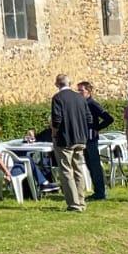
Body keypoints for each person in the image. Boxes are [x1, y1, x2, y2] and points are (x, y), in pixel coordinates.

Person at [49, 73, 91, 212]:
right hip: (80, 138)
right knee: (78, 170)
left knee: (66, 171)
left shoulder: (58, 98)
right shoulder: (79, 97)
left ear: (57, 84)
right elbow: (88, 118)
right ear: (70, 83)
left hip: (65, 139)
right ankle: (81, 200)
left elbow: (56, 120)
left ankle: (74, 203)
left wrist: (54, 134)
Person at [0, 120, 37, 197]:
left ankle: (41, 183)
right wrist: (7, 173)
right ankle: (40, 185)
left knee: (27, 160)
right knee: (28, 160)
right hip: (7, 169)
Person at [77, 81, 113, 201]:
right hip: (83, 138)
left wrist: (97, 128)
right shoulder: (81, 103)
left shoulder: (92, 104)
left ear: (88, 91)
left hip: (91, 139)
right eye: (78, 90)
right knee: (89, 165)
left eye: (81, 90)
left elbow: (109, 118)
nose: (79, 93)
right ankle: (97, 191)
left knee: (95, 165)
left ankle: (100, 192)